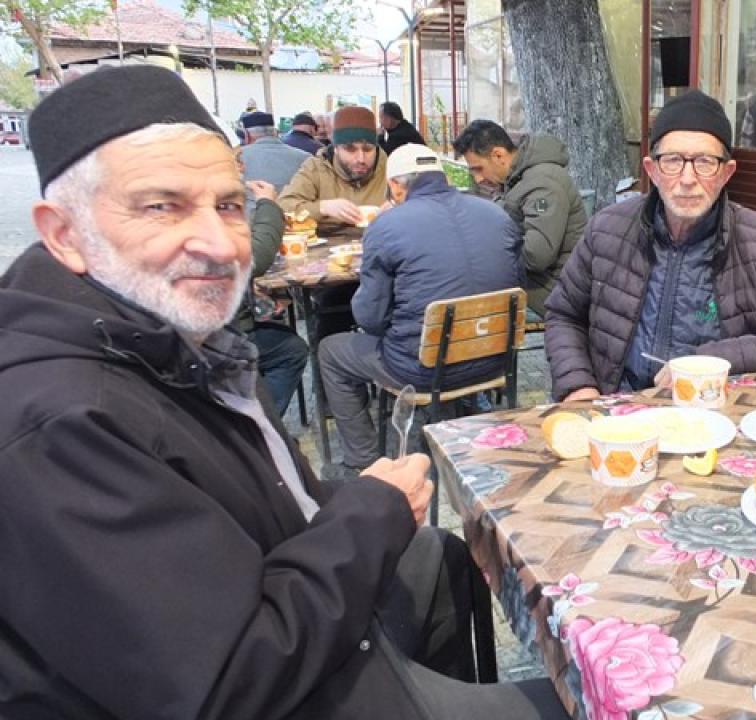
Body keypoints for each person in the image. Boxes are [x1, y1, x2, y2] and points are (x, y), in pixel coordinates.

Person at [1, 64, 567, 720]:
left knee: (434, 550)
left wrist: (366, 503)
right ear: (64, 234)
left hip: (298, 599)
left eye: (232, 204)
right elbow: (227, 684)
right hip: (273, 686)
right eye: (162, 206)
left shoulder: (176, 337)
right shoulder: (59, 421)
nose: (219, 244)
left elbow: (367, 329)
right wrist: (374, 506)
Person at [545, 90, 756, 401]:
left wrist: (715, 360)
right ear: (652, 170)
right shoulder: (608, 228)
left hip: (713, 414)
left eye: (705, 162)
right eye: (673, 161)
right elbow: (563, 314)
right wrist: (578, 386)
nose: (687, 179)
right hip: (618, 408)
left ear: (727, 173)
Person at [318, 144, 523, 478]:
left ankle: (362, 461)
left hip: (423, 369)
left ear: (397, 186)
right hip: (497, 358)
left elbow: (369, 319)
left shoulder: (387, 227)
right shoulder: (497, 214)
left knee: (330, 351)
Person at [453, 119, 587, 317]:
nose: (478, 179)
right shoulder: (520, 178)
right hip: (539, 283)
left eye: (478, 169)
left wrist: (487, 253)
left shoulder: (543, 183)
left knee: (467, 292)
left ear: (498, 155)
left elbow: (537, 256)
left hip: (554, 291)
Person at [238, 179, 310, 416]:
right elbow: (256, 256)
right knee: (292, 349)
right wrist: (268, 204)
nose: (242, 168)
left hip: (211, 328)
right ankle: (261, 426)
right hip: (218, 335)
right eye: (237, 161)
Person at [279, 106, 389, 235]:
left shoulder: (391, 169)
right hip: (326, 248)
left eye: (368, 149)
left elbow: (417, 204)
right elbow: (284, 206)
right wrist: (322, 207)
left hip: (381, 243)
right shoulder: (316, 167)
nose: (361, 159)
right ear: (336, 149)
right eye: (350, 150)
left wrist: (401, 211)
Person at [239, 111, 310, 214]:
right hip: (294, 223)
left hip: (252, 223)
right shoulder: (305, 158)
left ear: (247, 135)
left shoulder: (236, 157)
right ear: (275, 132)